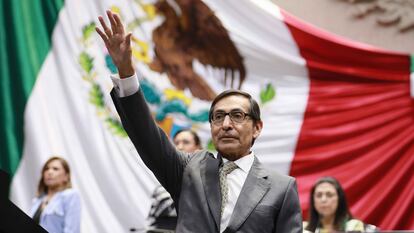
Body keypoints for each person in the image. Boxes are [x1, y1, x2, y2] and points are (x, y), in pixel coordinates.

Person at [96, 10, 302, 233]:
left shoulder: (281, 188)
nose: (226, 124)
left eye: (237, 116)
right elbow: (146, 136)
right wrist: (126, 72)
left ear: (257, 128)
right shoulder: (189, 169)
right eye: (218, 117)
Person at [147, 129, 202, 232]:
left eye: (186, 142)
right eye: (176, 143)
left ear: (198, 147)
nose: (180, 146)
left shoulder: (208, 181)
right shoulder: (162, 183)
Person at [30, 156, 81, 233]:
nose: (49, 172)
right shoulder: (37, 200)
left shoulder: (71, 196)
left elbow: (72, 230)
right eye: (46, 169)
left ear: (66, 176)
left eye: (55, 169)